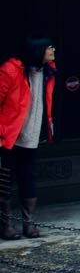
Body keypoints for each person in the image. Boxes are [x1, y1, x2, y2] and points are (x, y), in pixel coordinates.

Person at [0, 37, 57, 239]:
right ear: (38, 49)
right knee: (5, 180)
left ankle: (29, 224)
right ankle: (6, 225)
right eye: (50, 47)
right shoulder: (11, 70)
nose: (53, 50)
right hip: (8, 134)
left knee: (29, 177)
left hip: (31, 133)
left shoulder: (48, 71)